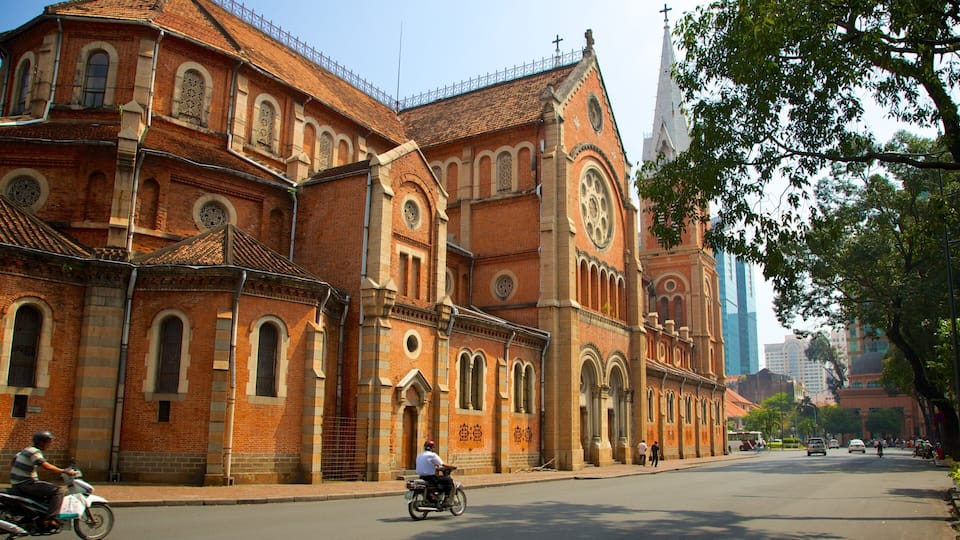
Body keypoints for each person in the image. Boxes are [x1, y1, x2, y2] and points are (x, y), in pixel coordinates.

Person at [10, 431, 77, 530]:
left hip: (16, 483)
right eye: (48, 442)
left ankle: (37, 516)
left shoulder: (25, 450)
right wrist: (64, 471)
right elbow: (47, 466)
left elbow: (13, 462)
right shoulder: (34, 452)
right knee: (58, 491)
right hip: (26, 484)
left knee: (45, 490)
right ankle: (50, 519)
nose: (49, 445)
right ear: (41, 442)